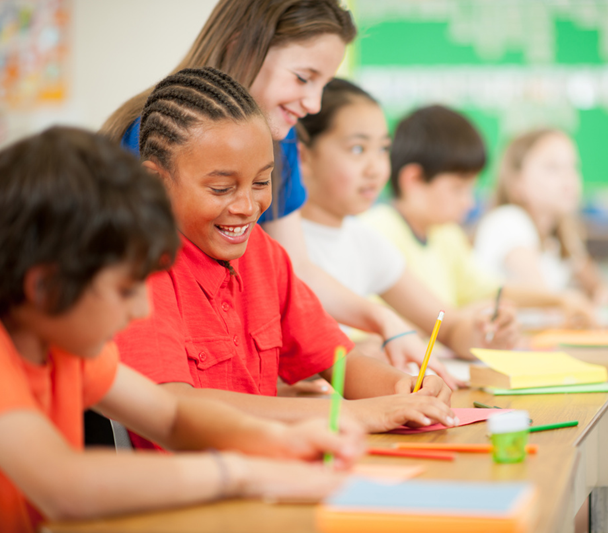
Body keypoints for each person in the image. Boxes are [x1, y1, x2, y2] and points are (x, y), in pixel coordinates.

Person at [0, 127, 364, 533]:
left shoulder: (63, 342)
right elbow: (63, 484)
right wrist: (240, 472)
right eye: (125, 289)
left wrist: (274, 440)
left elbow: (171, 417)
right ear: (44, 288)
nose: (140, 308)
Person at [116, 67, 455, 445]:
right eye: (222, 188)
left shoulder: (264, 255)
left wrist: (401, 387)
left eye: (262, 182)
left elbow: (341, 362)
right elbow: (174, 403)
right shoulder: (141, 270)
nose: (247, 206)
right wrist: (352, 413)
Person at [101, 0, 431, 378]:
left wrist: (381, 321)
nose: (313, 103)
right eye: (304, 78)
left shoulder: (279, 147)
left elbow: (293, 271)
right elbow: (168, 391)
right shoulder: (157, 140)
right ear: (242, 46)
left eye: (261, 181)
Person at [297, 79, 520, 367]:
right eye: (357, 149)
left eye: (382, 149)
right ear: (302, 155)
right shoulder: (277, 243)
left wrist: (485, 333)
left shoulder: (365, 241)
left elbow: (449, 327)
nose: (376, 168)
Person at [361, 105, 596, 325]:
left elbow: (489, 290)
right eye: (458, 188)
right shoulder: (377, 232)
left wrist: (560, 299)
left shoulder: (445, 234)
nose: (469, 201)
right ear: (414, 180)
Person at [473, 129, 608, 305]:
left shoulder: (560, 234)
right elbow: (547, 301)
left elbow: (599, 287)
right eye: (552, 168)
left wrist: (601, 292)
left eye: (573, 167)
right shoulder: (508, 220)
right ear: (517, 181)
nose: (568, 178)